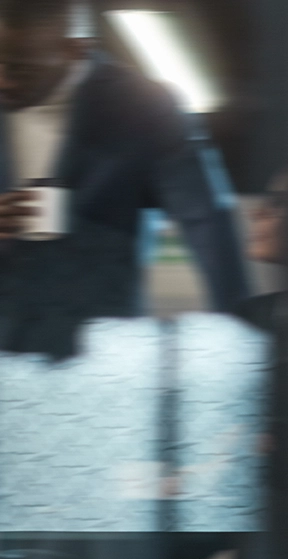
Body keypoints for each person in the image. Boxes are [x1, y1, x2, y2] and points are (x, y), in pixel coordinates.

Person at [0, 0, 249, 358]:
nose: (2, 79)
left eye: (21, 68)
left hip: (98, 364)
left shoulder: (143, 107)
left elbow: (208, 219)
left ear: (75, 49)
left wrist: (241, 334)